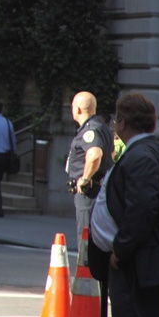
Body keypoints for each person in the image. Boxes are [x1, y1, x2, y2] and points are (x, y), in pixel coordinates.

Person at [97, 93, 159, 317]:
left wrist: (120, 249)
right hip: (144, 265)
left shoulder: (142, 157)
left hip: (138, 268)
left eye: (115, 120)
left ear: (121, 122)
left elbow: (142, 211)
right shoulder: (154, 153)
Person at [68, 90, 114, 237]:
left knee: (85, 238)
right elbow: (111, 154)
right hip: (99, 189)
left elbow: (95, 154)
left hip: (88, 192)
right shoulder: (101, 127)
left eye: (73, 106)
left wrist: (85, 179)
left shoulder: (90, 130)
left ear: (79, 109)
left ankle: (85, 261)